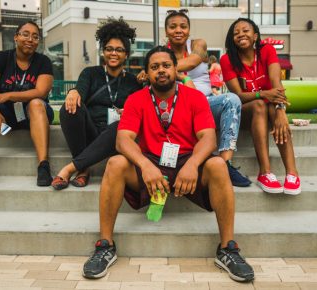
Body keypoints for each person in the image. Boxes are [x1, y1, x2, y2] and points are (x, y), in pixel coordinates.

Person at [82, 46, 254, 282]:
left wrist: (193, 164)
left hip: (186, 159)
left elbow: (209, 138)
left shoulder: (194, 97)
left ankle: (228, 249)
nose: (161, 71)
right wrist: (145, 165)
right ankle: (105, 245)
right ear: (147, 74)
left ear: (176, 69)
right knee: (115, 163)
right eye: (154, 67)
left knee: (217, 166)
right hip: (151, 160)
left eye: (166, 65)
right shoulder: (136, 99)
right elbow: (123, 140)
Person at [138, 9, 250, 187]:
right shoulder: (160, 53)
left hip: (205, 102)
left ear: (189, 30)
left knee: (231, 99)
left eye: (183, 26)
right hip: (177, 109)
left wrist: (156, 69)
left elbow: (192, 62)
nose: (178, 30)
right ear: (166, 31)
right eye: (173, 27)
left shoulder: (198, 45)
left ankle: (225, 163)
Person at [51, 17, 142, 189]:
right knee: (70, 107)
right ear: (103, 52)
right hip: (91, 131)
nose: (113, 53)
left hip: (115, 137)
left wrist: (128, 111)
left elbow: (141, 110)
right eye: (109, 49)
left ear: (126, 54)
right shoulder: (90, 73)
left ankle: (72, 168)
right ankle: (83, 167)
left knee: (122, 125)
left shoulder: (133, 82)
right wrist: (74, 92)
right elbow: (80, 92)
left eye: (119, 50)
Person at [220, 18, 301, 195]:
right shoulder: (227, 60)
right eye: (236, 32)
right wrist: (263, 94)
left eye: (246, 30)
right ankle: (265, 172)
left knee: (271, 107)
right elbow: (238, 97)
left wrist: (280, 111)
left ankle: (292, 173)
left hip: (270, 108)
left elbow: (276, 82)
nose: (241, 34)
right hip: (245, 112)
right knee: (259, 104)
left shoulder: (267, 51)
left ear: (255, 35)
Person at [0, 21, 54, 188]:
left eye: (35, 36)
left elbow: (41, 92)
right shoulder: (2, 58)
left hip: (35, 114)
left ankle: (43, 167)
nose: (30, 39)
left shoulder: (43, 61)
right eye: (25, 34)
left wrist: (7, 95)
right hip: (6, 115)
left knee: (36, 103)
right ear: (16, 37)